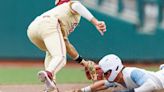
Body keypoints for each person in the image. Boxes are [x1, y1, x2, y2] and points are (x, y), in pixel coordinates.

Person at [27, 0, 106, 92]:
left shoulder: (57, 12)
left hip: (32, 30)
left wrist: (83, 62)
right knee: (60, 57)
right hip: (49, 23)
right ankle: (49, 73)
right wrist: (95, 22)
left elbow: (66, 45)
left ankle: (51, 87)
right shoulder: (70, 5)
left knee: (52, 54)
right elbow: (76, 5)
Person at [75, 54, 164, 92]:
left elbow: (151, 85)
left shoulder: (132, 73)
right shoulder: (117, 79)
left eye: (106, 73)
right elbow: (103, 84)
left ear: (115, 69)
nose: (104, 76)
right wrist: (82, 91)